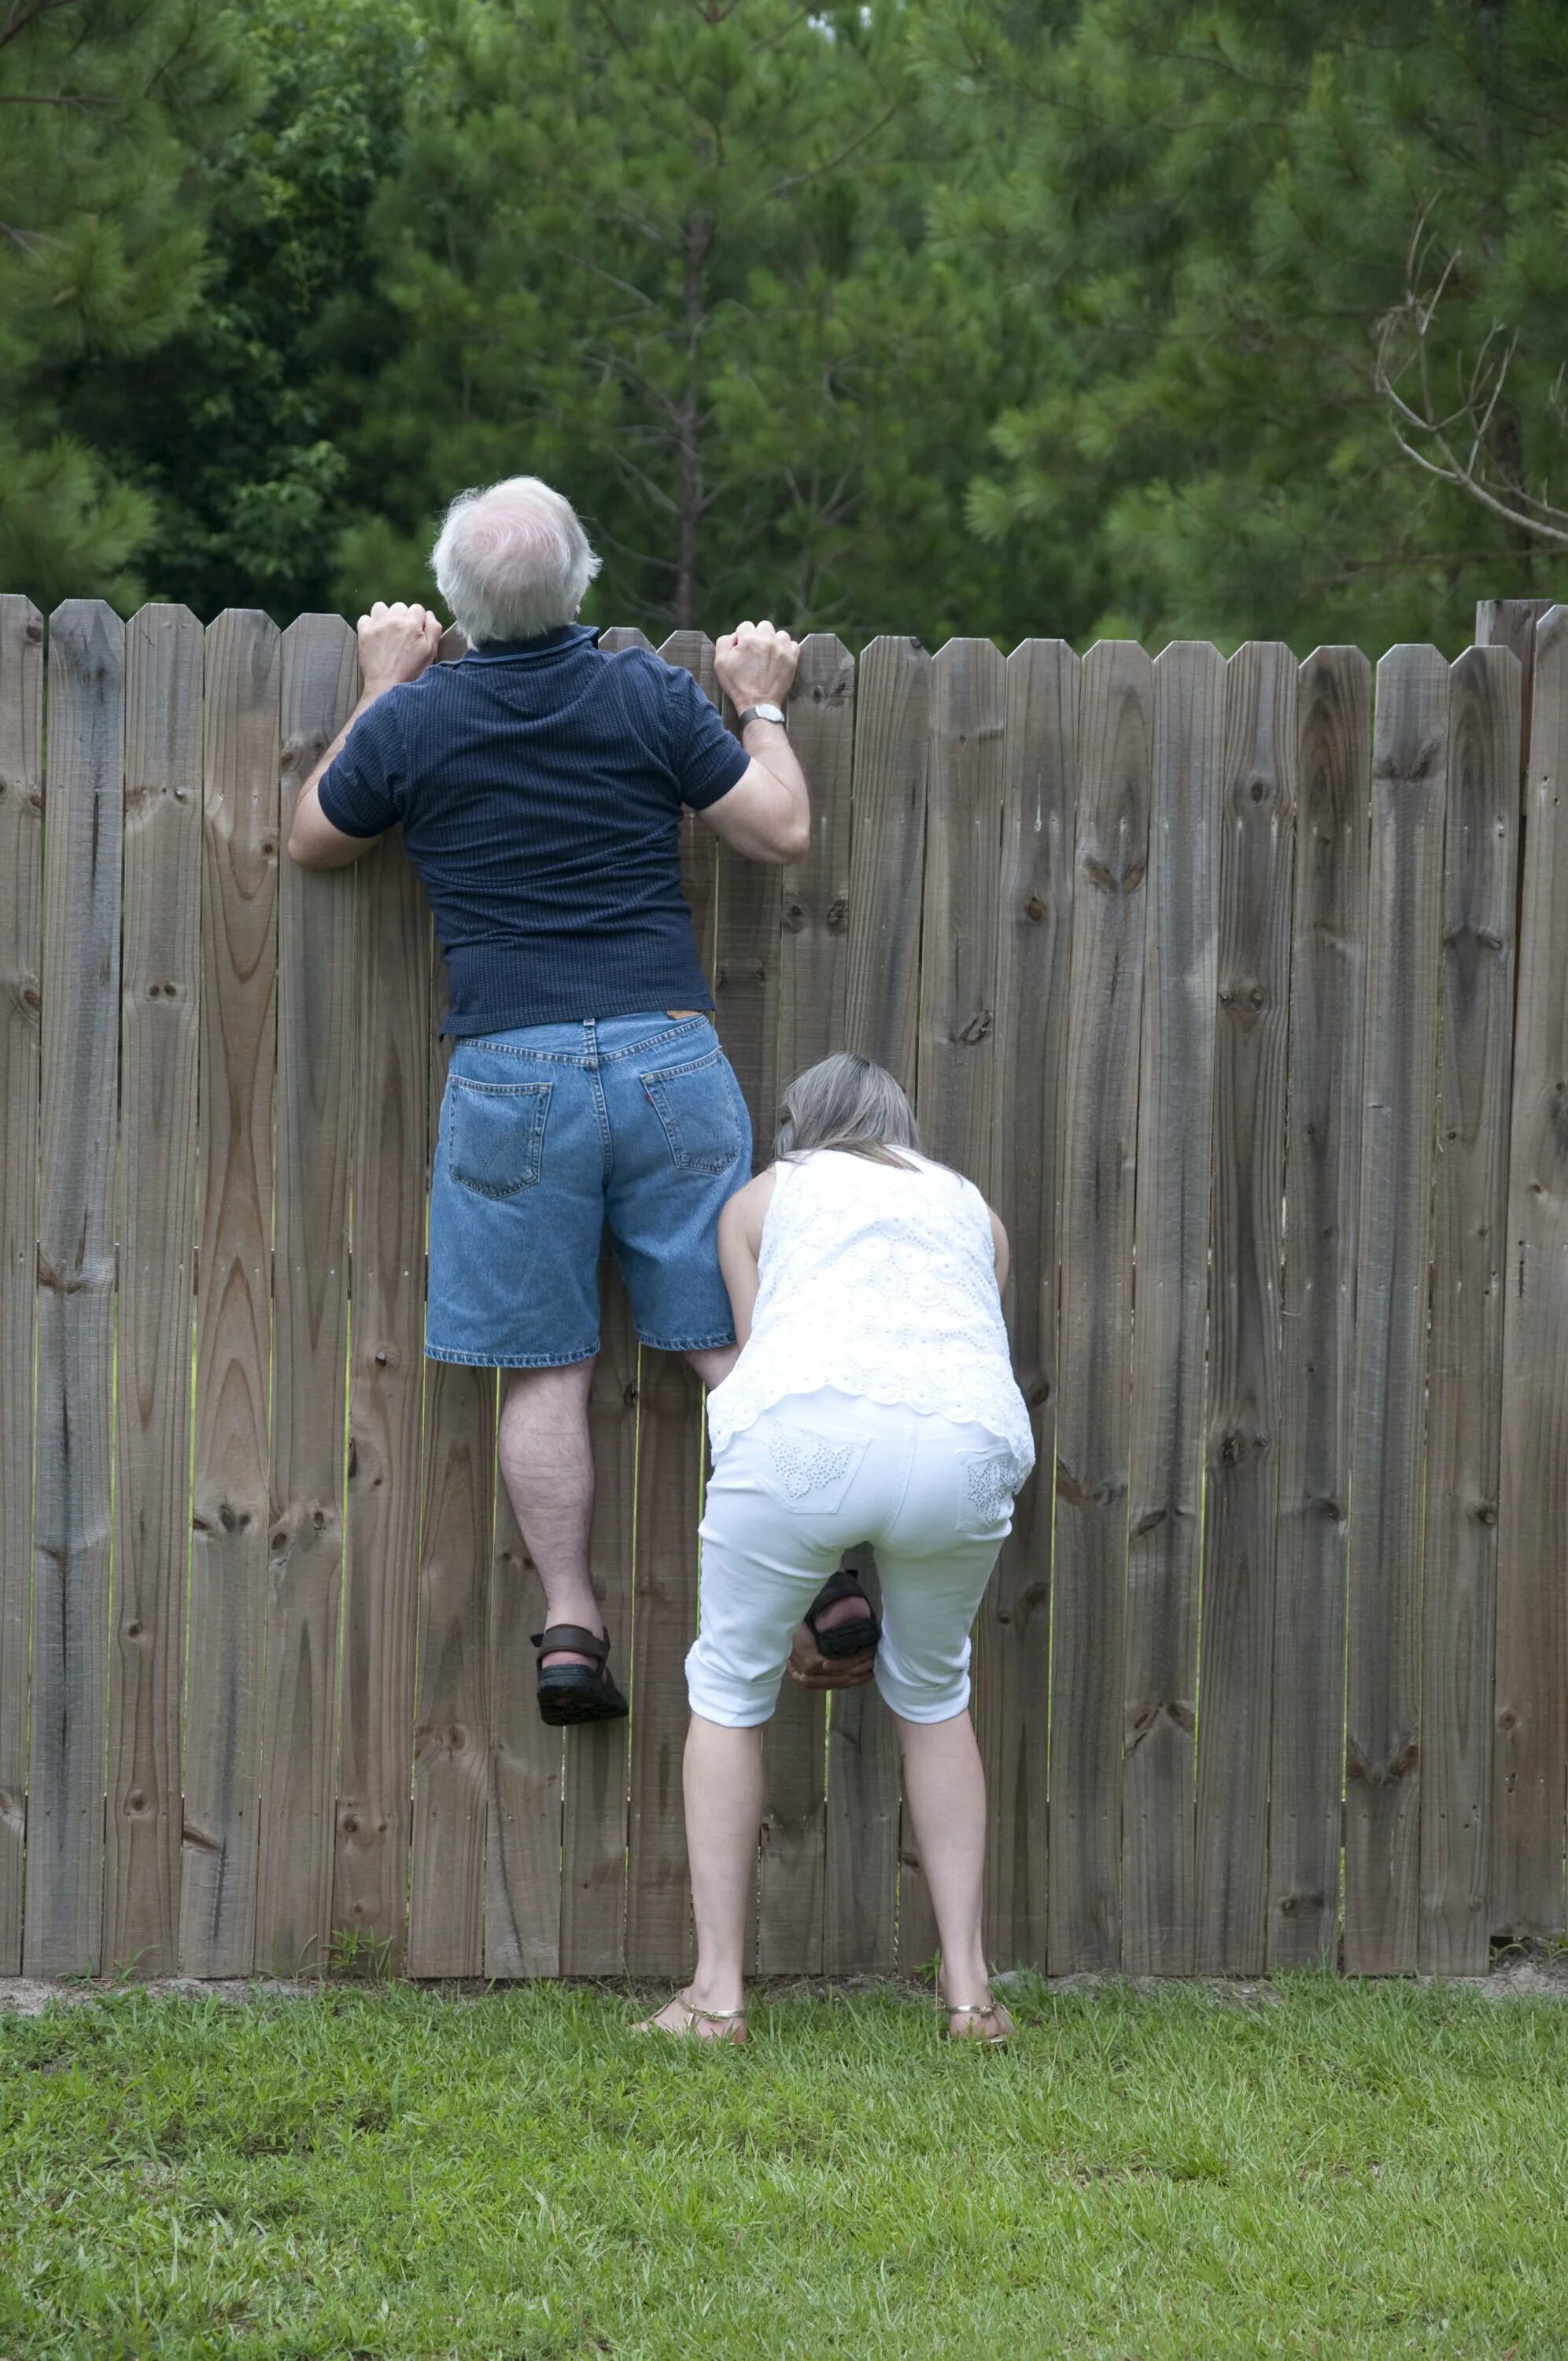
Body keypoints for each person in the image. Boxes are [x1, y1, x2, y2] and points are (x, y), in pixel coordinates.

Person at [286, 475, 871, 1722]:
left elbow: (311, 836)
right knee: (722, 1338)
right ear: (583, 581)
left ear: (449, 602)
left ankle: (570, 1628)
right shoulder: (645, 692)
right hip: (667, 1056)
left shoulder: (415, 721)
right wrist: (759, 708)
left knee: (545, 1368)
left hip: (510, 1069)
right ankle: (826, 1579)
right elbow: (778, 832)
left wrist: (384, 682)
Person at [637, 1053, 1036, 2045]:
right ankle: (969, 1995)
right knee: (936, 1691)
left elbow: (768, 1359)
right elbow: (952, 1351)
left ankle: (717, 1994)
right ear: (900, 1127)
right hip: (970, 1443)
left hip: (799, 1437)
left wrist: (811, 1587)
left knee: (730, 1688)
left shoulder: (762, 1200)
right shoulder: (974, 1212)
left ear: (798, 1126)